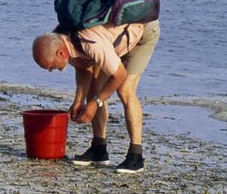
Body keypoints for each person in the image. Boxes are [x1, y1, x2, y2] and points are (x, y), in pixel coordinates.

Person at [31, 20, 161, 174]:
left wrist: (95, 103)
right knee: (95, 89)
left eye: (51, 66)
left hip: (141, 30)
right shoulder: (62, 37)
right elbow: (84, 67)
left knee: (125, 90)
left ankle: (136, 156)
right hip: (114, 39)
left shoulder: (91, 43)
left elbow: (119, 75)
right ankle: (99, 149)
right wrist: (78, 101)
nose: (51, 71)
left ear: (61, 53)